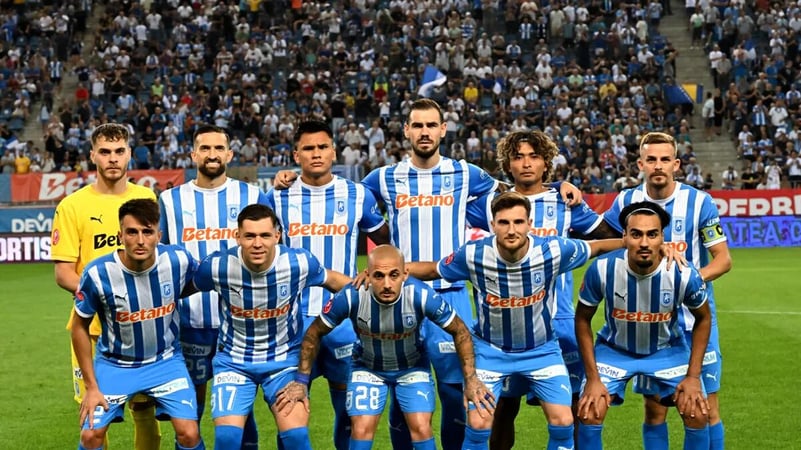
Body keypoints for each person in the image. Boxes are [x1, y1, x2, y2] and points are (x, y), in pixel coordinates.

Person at [407, 192, 624, 450]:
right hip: (490, 352)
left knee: (564, 421)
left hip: (542, 351)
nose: (512, 230)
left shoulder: (553, 250)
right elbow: (434, 269)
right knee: (478, 424)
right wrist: (390, 270)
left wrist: (634, 243)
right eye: (504, 222)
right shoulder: (474, 254)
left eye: (518, 222)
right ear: (492, 225)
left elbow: (596, 247)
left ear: (529, 223)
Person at [465, 130, 621, 450]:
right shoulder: (493, 203)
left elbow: (607, 236)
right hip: (505, 325)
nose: (526, 164)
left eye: (534, 157)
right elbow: (450, 208)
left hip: (559, 319)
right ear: (508, 164)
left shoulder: (565, 201)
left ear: (546, 162)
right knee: (503, 408)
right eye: (518, 157)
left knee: (572, 407)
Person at [274, 245, 495, 450]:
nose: (387, 284)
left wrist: (471, 379)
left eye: (394, 275)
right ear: (367, 275)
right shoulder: (352, 295)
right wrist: (301, 380)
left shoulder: (421, 295)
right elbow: (314, 332)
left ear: (405, 274)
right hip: (367, 369)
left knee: (421, 427)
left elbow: (460, 330)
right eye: (379, 276)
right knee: (361, 428)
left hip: (412, 367)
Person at [265, 120, 390, 450]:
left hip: (344, 320)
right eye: (308, 148)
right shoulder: (277, 197)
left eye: (322, 147)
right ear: (296, 155)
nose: (316, 153)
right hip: (291, 320)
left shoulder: (356, 194)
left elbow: (384, 241)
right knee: (289, 412)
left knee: (348, 412)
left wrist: (374, 272)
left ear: (334, 151)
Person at [603, 132, 731, 450]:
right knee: (655, 410)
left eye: (664, 159)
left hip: (695, 321)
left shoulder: (699, 202)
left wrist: (687, 283)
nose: (658, 166)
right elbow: (606, 243)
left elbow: (723, 260)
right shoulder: (626, 201)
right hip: (649, 324)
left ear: (676, 164)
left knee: (704, 407)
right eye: (651, 159)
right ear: (640, 164)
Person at [192, 204, 353, 449]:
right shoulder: (217, 266)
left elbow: (333, 280)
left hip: (284, 362)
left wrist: (369, 294)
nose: (258, 244)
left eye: (265, 235)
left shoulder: (298, 262)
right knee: (226, 439)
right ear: (237, 237)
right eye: (250, 236)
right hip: (233, 362)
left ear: (277, 236)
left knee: (296, 438)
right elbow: (182, 288)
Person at [51, 123, 162, 450]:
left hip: (141, 328)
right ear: (92, 156)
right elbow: (63, 273)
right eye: (104, 152)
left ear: (129, 154)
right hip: (92, 330)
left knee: (145, 413)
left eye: (118, 151)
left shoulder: (146, 198)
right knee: (94, 423)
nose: (112, 158)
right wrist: (105, 298)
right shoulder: (72, 206)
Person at [159, 124, 268, 448]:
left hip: (242, 325)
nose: (212, 154)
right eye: (205, 148)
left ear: (230, 154)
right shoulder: (170, 200)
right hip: (188, 323)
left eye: (219, 148)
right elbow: (160, 257)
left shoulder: (251, 196)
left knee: (241, 411)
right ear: (193, 154)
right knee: (189, 414)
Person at [575, 201, 712, 450]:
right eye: (636, 234)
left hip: (666, 349)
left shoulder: (683, 273)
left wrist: (693, 377)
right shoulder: (602, 269)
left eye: (652, 234)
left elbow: (703, 318)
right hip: (614, 350)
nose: (645, 243)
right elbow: (582, 319)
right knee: (589, 411)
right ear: (624, 237)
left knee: (697, 412)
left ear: (662, 238)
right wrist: (593, 378)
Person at [71, 198, 204, 450]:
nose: (140, 240)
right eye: (132, 232)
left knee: (189, 433)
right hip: (115, 365)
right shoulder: (98, 273)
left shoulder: (178, 259)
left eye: (147, 232)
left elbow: (201, 280)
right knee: (91, 436)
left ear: (159, 236)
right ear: (120, 236)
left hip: (165, 362)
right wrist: (91, 386)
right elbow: (79, 326)